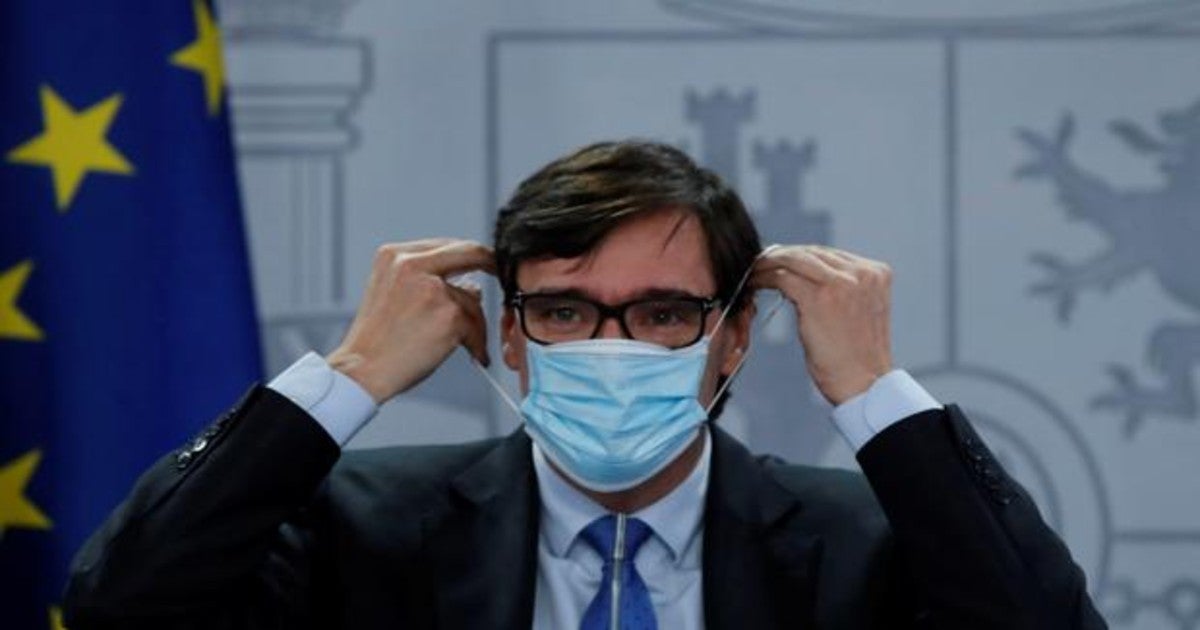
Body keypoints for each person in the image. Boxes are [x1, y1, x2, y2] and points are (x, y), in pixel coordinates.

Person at [63, 141, 1106, 629]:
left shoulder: (869, 539)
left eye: (662, 314)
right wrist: (350, 379)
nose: (613, 348)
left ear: (734, 337)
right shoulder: (357, 526)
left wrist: (875, 393)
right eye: (563, 312)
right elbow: (121, 607)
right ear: (509, 336)